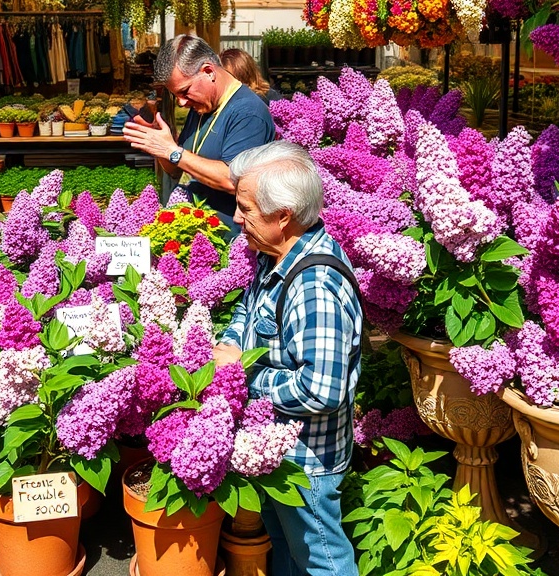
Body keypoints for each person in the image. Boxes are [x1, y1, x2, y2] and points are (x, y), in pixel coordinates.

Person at [213, 140, 362, 576]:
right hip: (278, 449)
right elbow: (248, 309)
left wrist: (241, 375)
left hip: (307, 462)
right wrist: (230, 343)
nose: (237, 217)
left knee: (322, 562)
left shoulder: (314, 286)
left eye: (246, 208)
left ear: (283, 217)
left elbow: (321, 390)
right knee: (286, 550)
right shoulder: (275, 253)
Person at [122, 34, 275, 224]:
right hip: (197, 236)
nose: (182, 102)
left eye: (185, 91)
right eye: (176, 95)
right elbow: (175, 169)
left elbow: (233, 180)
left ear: (209, 71)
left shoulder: (248, 112)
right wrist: (159, 146)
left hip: (231, 241)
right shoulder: (202, 106)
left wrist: (173, 151)